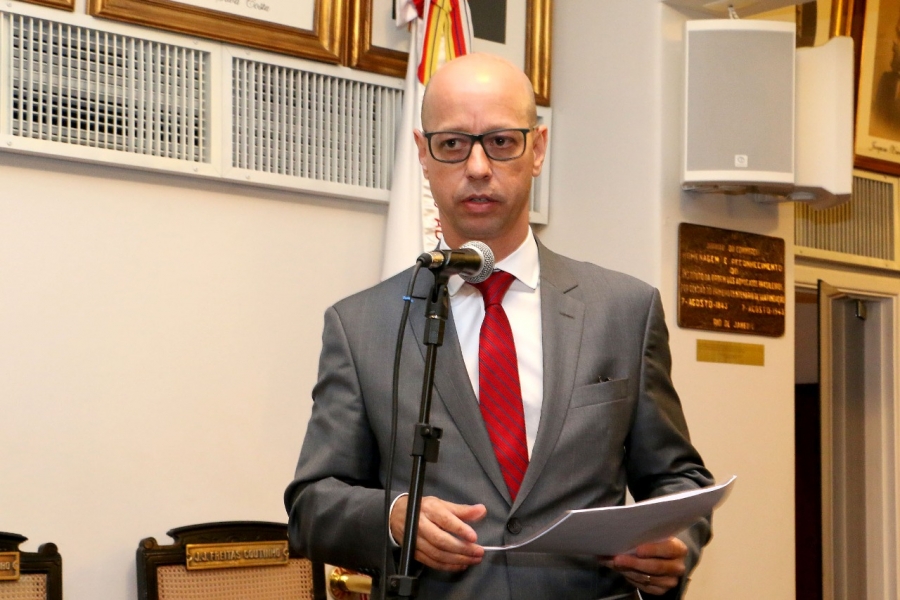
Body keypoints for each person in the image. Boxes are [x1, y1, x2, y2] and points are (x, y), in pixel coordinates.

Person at [285, 53, 714, 599]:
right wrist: (393, 516)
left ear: (538, 148)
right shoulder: (362, 325)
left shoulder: (624, 310)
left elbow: (677, 477)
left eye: (502, 142)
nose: (478, 167)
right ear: (423, 154)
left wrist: (675, 543)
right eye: (452, 144)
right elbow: (311, 505)